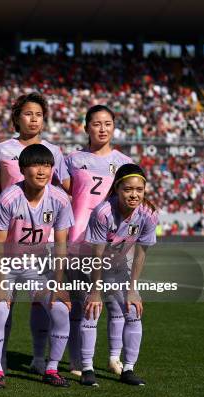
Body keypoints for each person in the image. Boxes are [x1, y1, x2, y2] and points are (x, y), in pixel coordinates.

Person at [0, 92, 70, 374]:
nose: (33, 119)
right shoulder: (1, 149)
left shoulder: (54, 152)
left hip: (40, 239)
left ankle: (42, 360)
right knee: (3, 306)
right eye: (28, 113)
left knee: (46, 304)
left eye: (39, 114)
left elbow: (67, 187)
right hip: (7, 235)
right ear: (17, 117)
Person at [64, 105, 133, 376]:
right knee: (80, 303)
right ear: (86, 127)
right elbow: (65, 195)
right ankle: (76, 360)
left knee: (116, 303)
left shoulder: (124, 162)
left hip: (113, 242)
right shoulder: (71, 159)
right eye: (96, 123)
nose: (102, 128)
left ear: (113, 127)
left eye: (107, 123)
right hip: (79, 239)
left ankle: (114, 358)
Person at [80, 163, 158, 387]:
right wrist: (95, 291)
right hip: (91, 264)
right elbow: (97, 254)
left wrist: (133, 289)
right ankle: (87, 368)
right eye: (128, 189)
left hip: (119, 265)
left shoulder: (149, 213)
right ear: (116, 189)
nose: (134, 195)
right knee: (91, 309)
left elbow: (141, 253)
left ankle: (127, 368)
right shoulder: (103, 212)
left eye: (139, 190)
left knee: (131, 308)